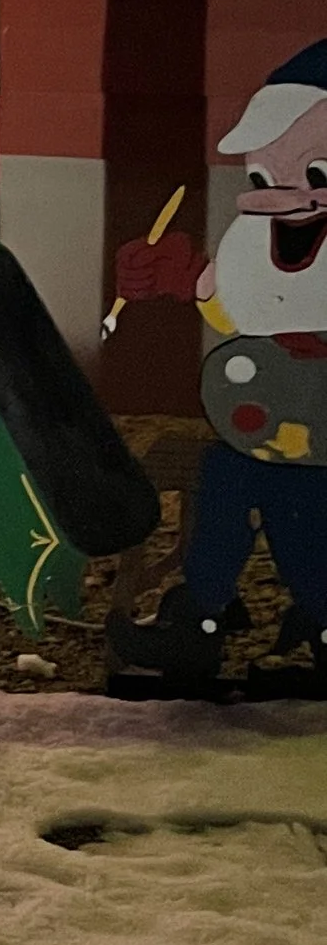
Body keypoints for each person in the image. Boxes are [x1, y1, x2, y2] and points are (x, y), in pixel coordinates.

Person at [109, 38, 327, 685]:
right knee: (225, 481)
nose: (279, 198)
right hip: (274, 425)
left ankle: (315, 621)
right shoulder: (270, 237)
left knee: (300, 515)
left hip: (315, 437)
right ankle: (199, 623)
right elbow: (252, 312)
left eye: (315, 173)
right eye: (262, 179)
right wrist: (187, 280)